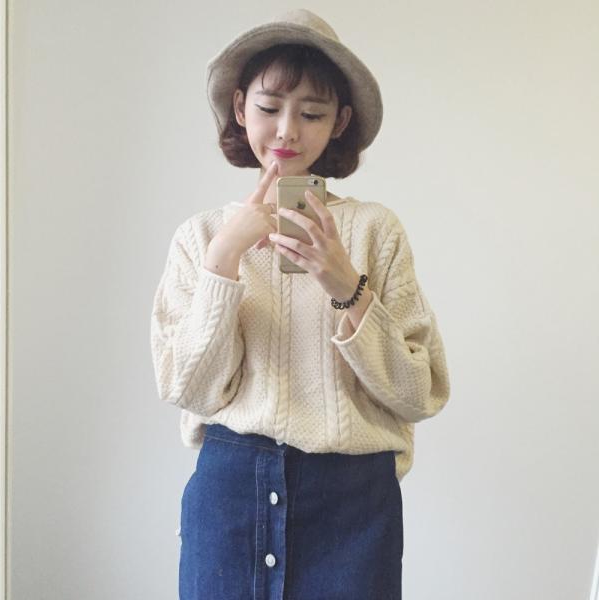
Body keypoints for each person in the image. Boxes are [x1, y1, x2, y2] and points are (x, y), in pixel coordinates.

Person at [150, 8, 451, 600]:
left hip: (353, 504)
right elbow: (187, 388)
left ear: (340, 122)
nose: (287, 131)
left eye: (311, 113)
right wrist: (223, 261)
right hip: (230, 493)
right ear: (240, 108)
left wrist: (347, 286)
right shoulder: (201, 236)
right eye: (269, 107)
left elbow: (420, 393)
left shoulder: (375, 231)